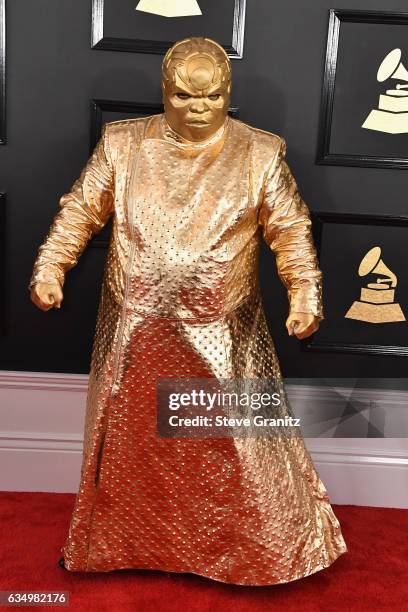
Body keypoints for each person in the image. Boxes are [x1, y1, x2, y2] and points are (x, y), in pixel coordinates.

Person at [29, 36, 347, 585]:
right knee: (132, 445)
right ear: (164, 91)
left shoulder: (260, 152)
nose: (199, 107)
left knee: (242, 445)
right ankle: (121, 544)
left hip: (225, 331)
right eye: (184, 95)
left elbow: (290, 230)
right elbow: (80, 210)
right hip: (135, 328)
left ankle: (262, 554)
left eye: (214, 96)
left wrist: (305, 294)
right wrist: (49, 268)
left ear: (229, 92)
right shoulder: (123, 144)